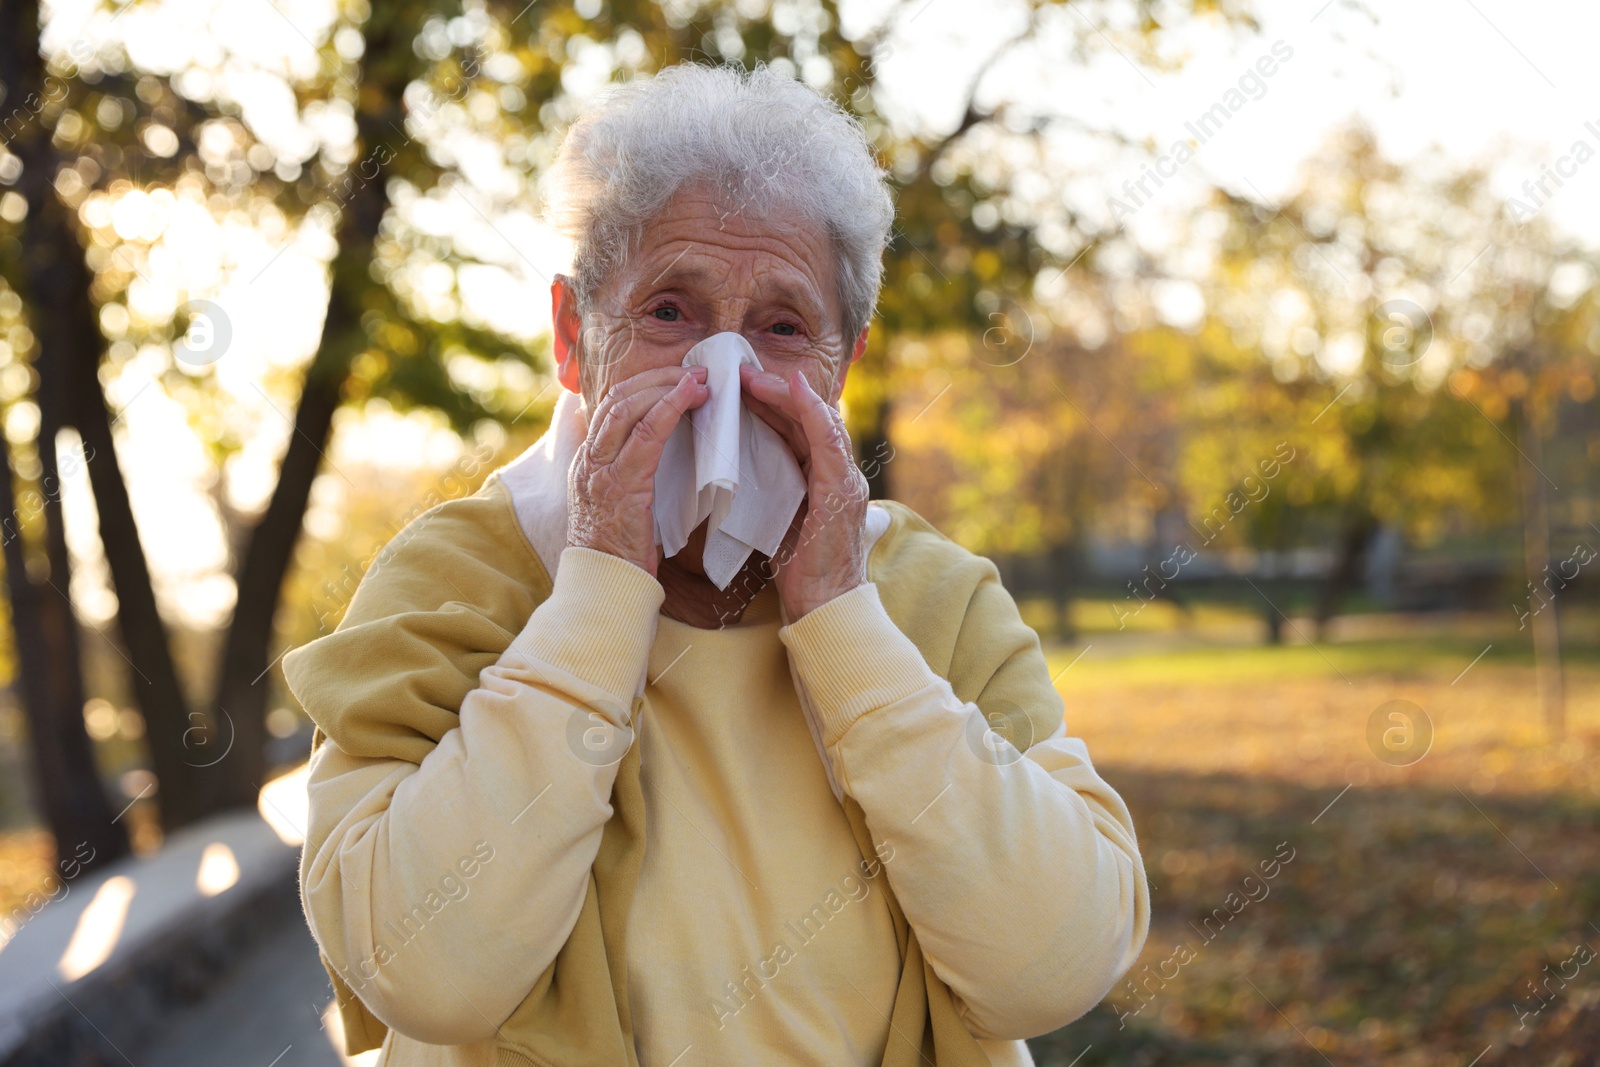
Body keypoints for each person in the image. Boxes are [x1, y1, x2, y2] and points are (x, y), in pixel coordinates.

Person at [284, 61, 1149, 1067]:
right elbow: (421, 969)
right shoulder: (458, 575)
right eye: (669, 313)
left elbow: (1054, 965)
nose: (723, 378)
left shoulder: (936, 595)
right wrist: (602, 586)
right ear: (573, 338)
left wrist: (842, 617)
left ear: (844, 364)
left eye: (782, 327)